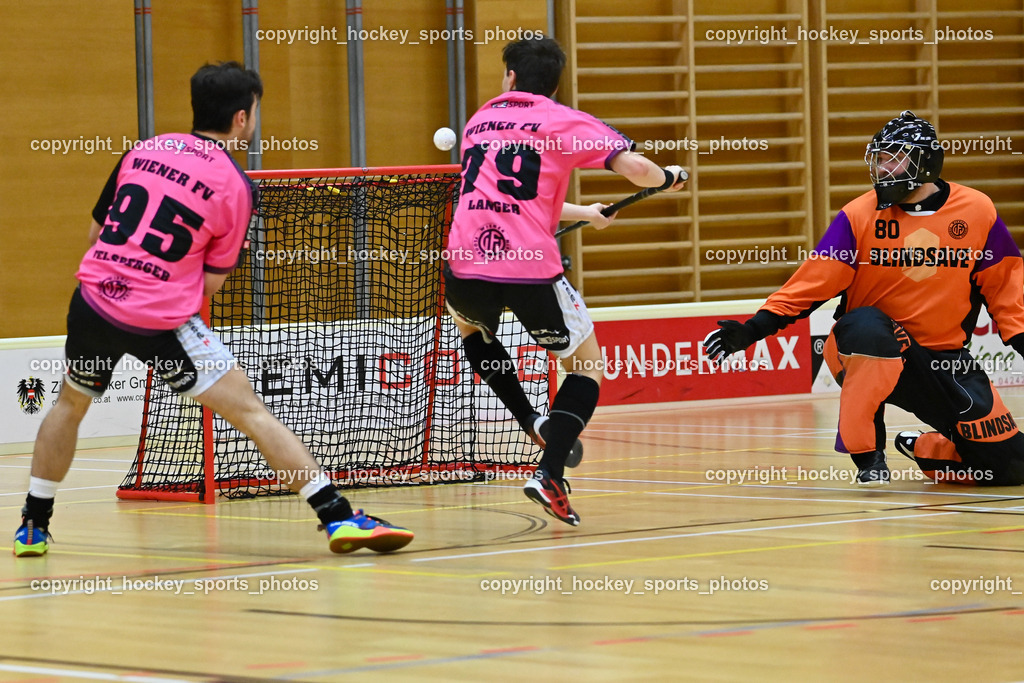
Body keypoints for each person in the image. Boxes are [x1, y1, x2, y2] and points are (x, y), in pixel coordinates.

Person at [14, 62, 413, 557]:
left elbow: (98, 234)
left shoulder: (143, 150)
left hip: (93, 303)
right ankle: (338, 518)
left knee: (70, 405)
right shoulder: (234, 184)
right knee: (251, 412)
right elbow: (209, 284)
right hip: (160, 322)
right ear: (242, 118)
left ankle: (33, 524)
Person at [703, 110, 1024, 487]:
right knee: (871, 328)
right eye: (879, 159)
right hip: (861, 345)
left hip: (942, 361)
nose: (882, 169)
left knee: (1010, 467)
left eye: (893, 158)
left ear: (924, 160)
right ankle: (869, 457)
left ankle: (923, 446)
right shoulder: (858, 215)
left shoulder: (977, 210)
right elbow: (810, 285)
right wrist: (753, 330)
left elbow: (1005, 288)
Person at [444, 37, 687, 525]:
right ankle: (549, 471)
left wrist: (585, 213)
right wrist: (666, 178)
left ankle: (530, 420)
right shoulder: (560, 119)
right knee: (585, 367)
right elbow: (636, 169)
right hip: (528, 269)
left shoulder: (478, 121)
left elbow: (512, 196)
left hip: (465, 261)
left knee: (473, 329)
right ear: (554, 83)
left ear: (510, 77)